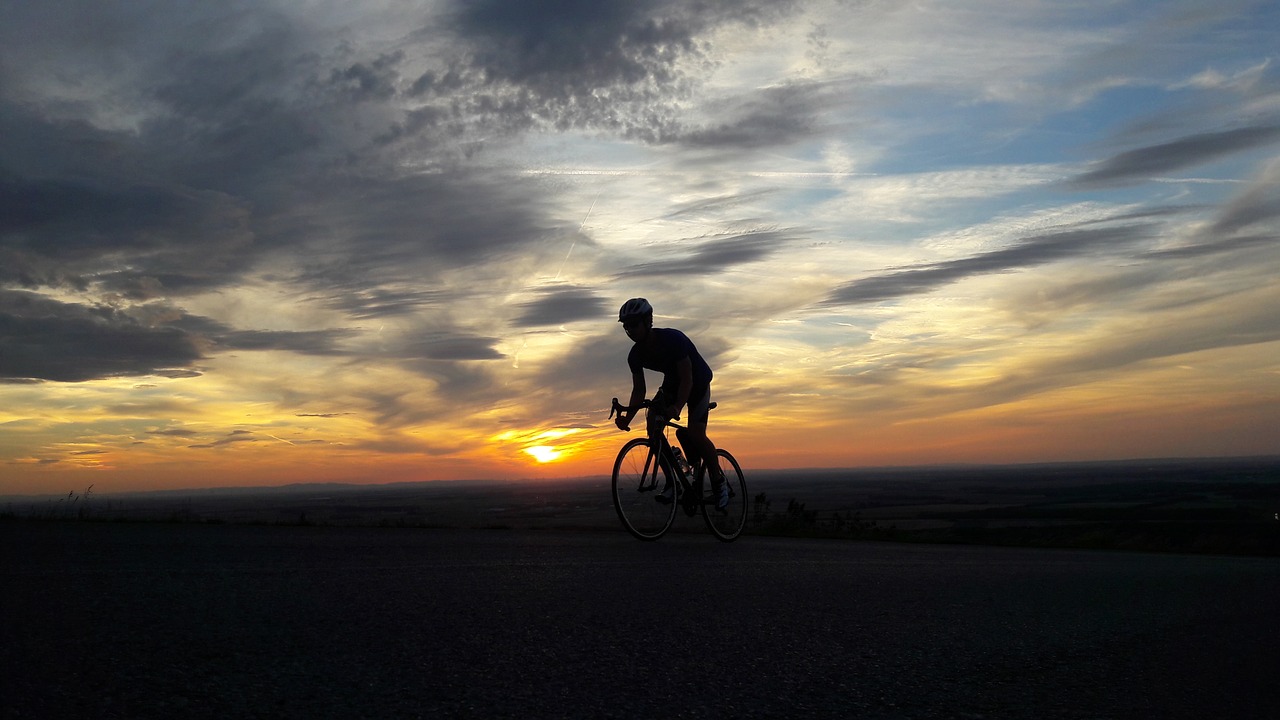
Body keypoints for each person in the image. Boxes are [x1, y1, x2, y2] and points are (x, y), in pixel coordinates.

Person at [613, 298, 728, 509]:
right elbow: (639, 390)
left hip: (698, 381)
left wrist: (676, 407)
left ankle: (719, 483)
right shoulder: (635, 356)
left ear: (648, 321)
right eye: (626, 326)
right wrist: (627, 418)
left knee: (696, 433)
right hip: (674, 383)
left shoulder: (673, 340)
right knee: (653, 424)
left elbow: (688, 379)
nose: (630, 330)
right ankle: (673, 481)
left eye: (634, 324)